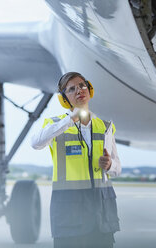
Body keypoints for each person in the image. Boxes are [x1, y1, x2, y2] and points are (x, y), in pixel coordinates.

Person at [31, 72, 121, 248]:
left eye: (82, 85)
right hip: (70, 215)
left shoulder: (105, 126)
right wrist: (69, 120)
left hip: (101, 215)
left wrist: (110, 165)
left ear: (89, 89)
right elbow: (36, 143)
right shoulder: (55, 125)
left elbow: (117, 168)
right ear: (65, 99)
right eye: (71, 89)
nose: (79, 90)